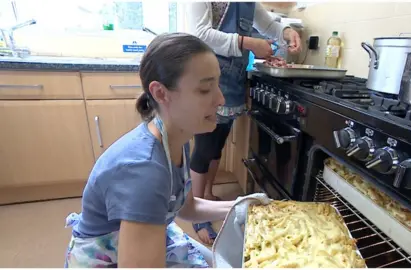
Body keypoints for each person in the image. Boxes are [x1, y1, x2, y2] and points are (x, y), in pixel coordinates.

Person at [63, 32, 270, 268]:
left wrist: (242, 205)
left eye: (218, 85)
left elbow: (186, 206)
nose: (221, 99)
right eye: (205, 89)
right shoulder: (144, 171)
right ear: (161, 93)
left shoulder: (176, 137)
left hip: (151, 237)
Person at [186, 2, 302, 245]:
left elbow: (269, 25)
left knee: (218, 144)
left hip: (233, 80)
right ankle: (198, 214)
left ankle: (207, 194)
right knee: (205, 148)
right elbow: (201, 34)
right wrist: (247, 43)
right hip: (210, 77)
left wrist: (288, 32)